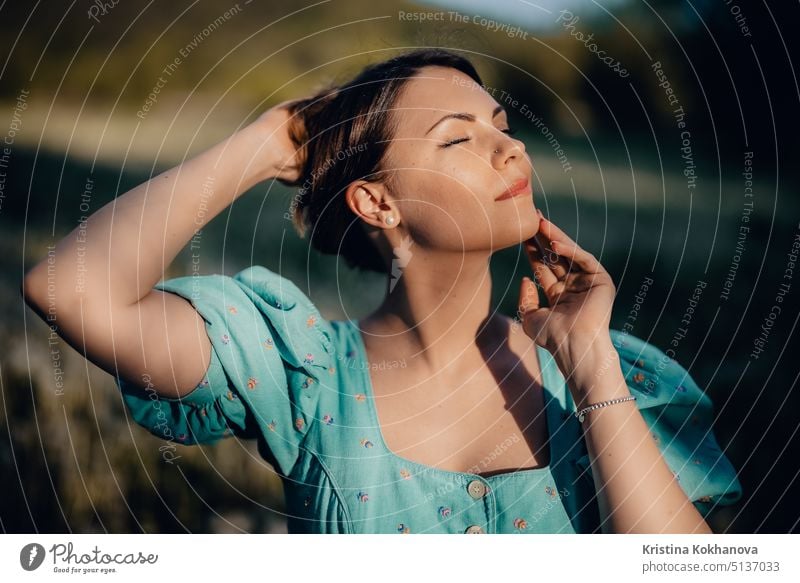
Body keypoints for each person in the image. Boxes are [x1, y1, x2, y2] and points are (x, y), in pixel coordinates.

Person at [22, 48, 741, 534]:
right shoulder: (301, 371)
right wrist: (274, 137)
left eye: (502, 127)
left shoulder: (611, 370)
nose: (511, 148)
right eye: (457, 140)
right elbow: (71, 288)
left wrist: (590, 365)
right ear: (377, 204)